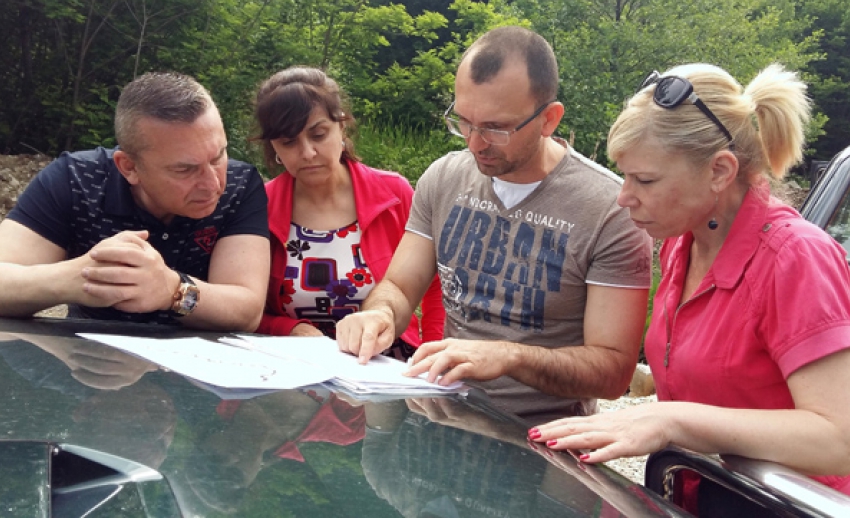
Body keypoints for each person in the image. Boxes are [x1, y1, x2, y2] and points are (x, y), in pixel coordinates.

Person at [529, 63, 850, 499]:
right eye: (624, 176)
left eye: (645, 180)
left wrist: (671, 420)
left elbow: (839, 439)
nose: (624, 197)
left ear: (719, 171)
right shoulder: (682, 243)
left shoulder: (796, 258)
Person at [337, 26, 653, 424]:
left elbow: (612, 372)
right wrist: (380, 315)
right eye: (464, 122)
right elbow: (400, 287)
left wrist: (509, 356)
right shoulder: (444, 178)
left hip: (539, 438)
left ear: (549, 119)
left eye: (495, 128)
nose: (474, 143)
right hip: (441, 416)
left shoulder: (611, 209)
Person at [0, 72, 270, 331]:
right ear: (128, 167)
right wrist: (78, 279)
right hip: (86, 353)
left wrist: (172, 290)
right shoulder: (75, 180)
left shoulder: (240, 184)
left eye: (218, 157)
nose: (213, 184)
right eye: (184, 169)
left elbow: (247, 313)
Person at [251, 66, 444, 359]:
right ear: (273, 147)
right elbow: (245, 306)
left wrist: (432, 356)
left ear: (341, 126)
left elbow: (435, 286)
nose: (307, 152)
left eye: (318, 135)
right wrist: (288, 329)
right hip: (295, 366)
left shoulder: (393, 194)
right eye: (289, 142)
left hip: (384, 365)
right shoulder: (260, 206)